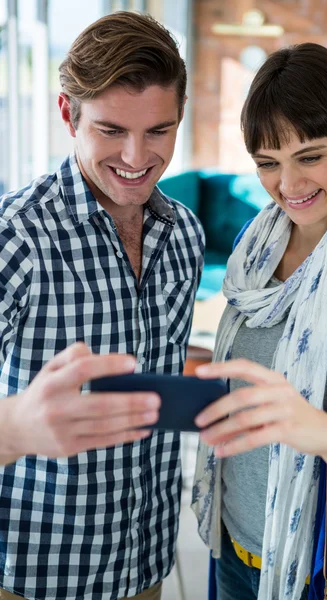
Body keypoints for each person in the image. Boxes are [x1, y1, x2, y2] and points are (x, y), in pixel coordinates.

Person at [0, 11, 204, 600]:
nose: (137, 158)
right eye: (111, 130)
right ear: (68, 114)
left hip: (145, 567)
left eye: (159, 131)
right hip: (37, 578)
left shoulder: (184, 234)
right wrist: (16, 426)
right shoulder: (18, 238)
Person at [191, 43, 327, 600]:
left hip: (315, 571)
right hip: (234, 543)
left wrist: (317, 430)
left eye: (310, 156)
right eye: (267, 162)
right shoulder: (253, 250)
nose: (288, 185)